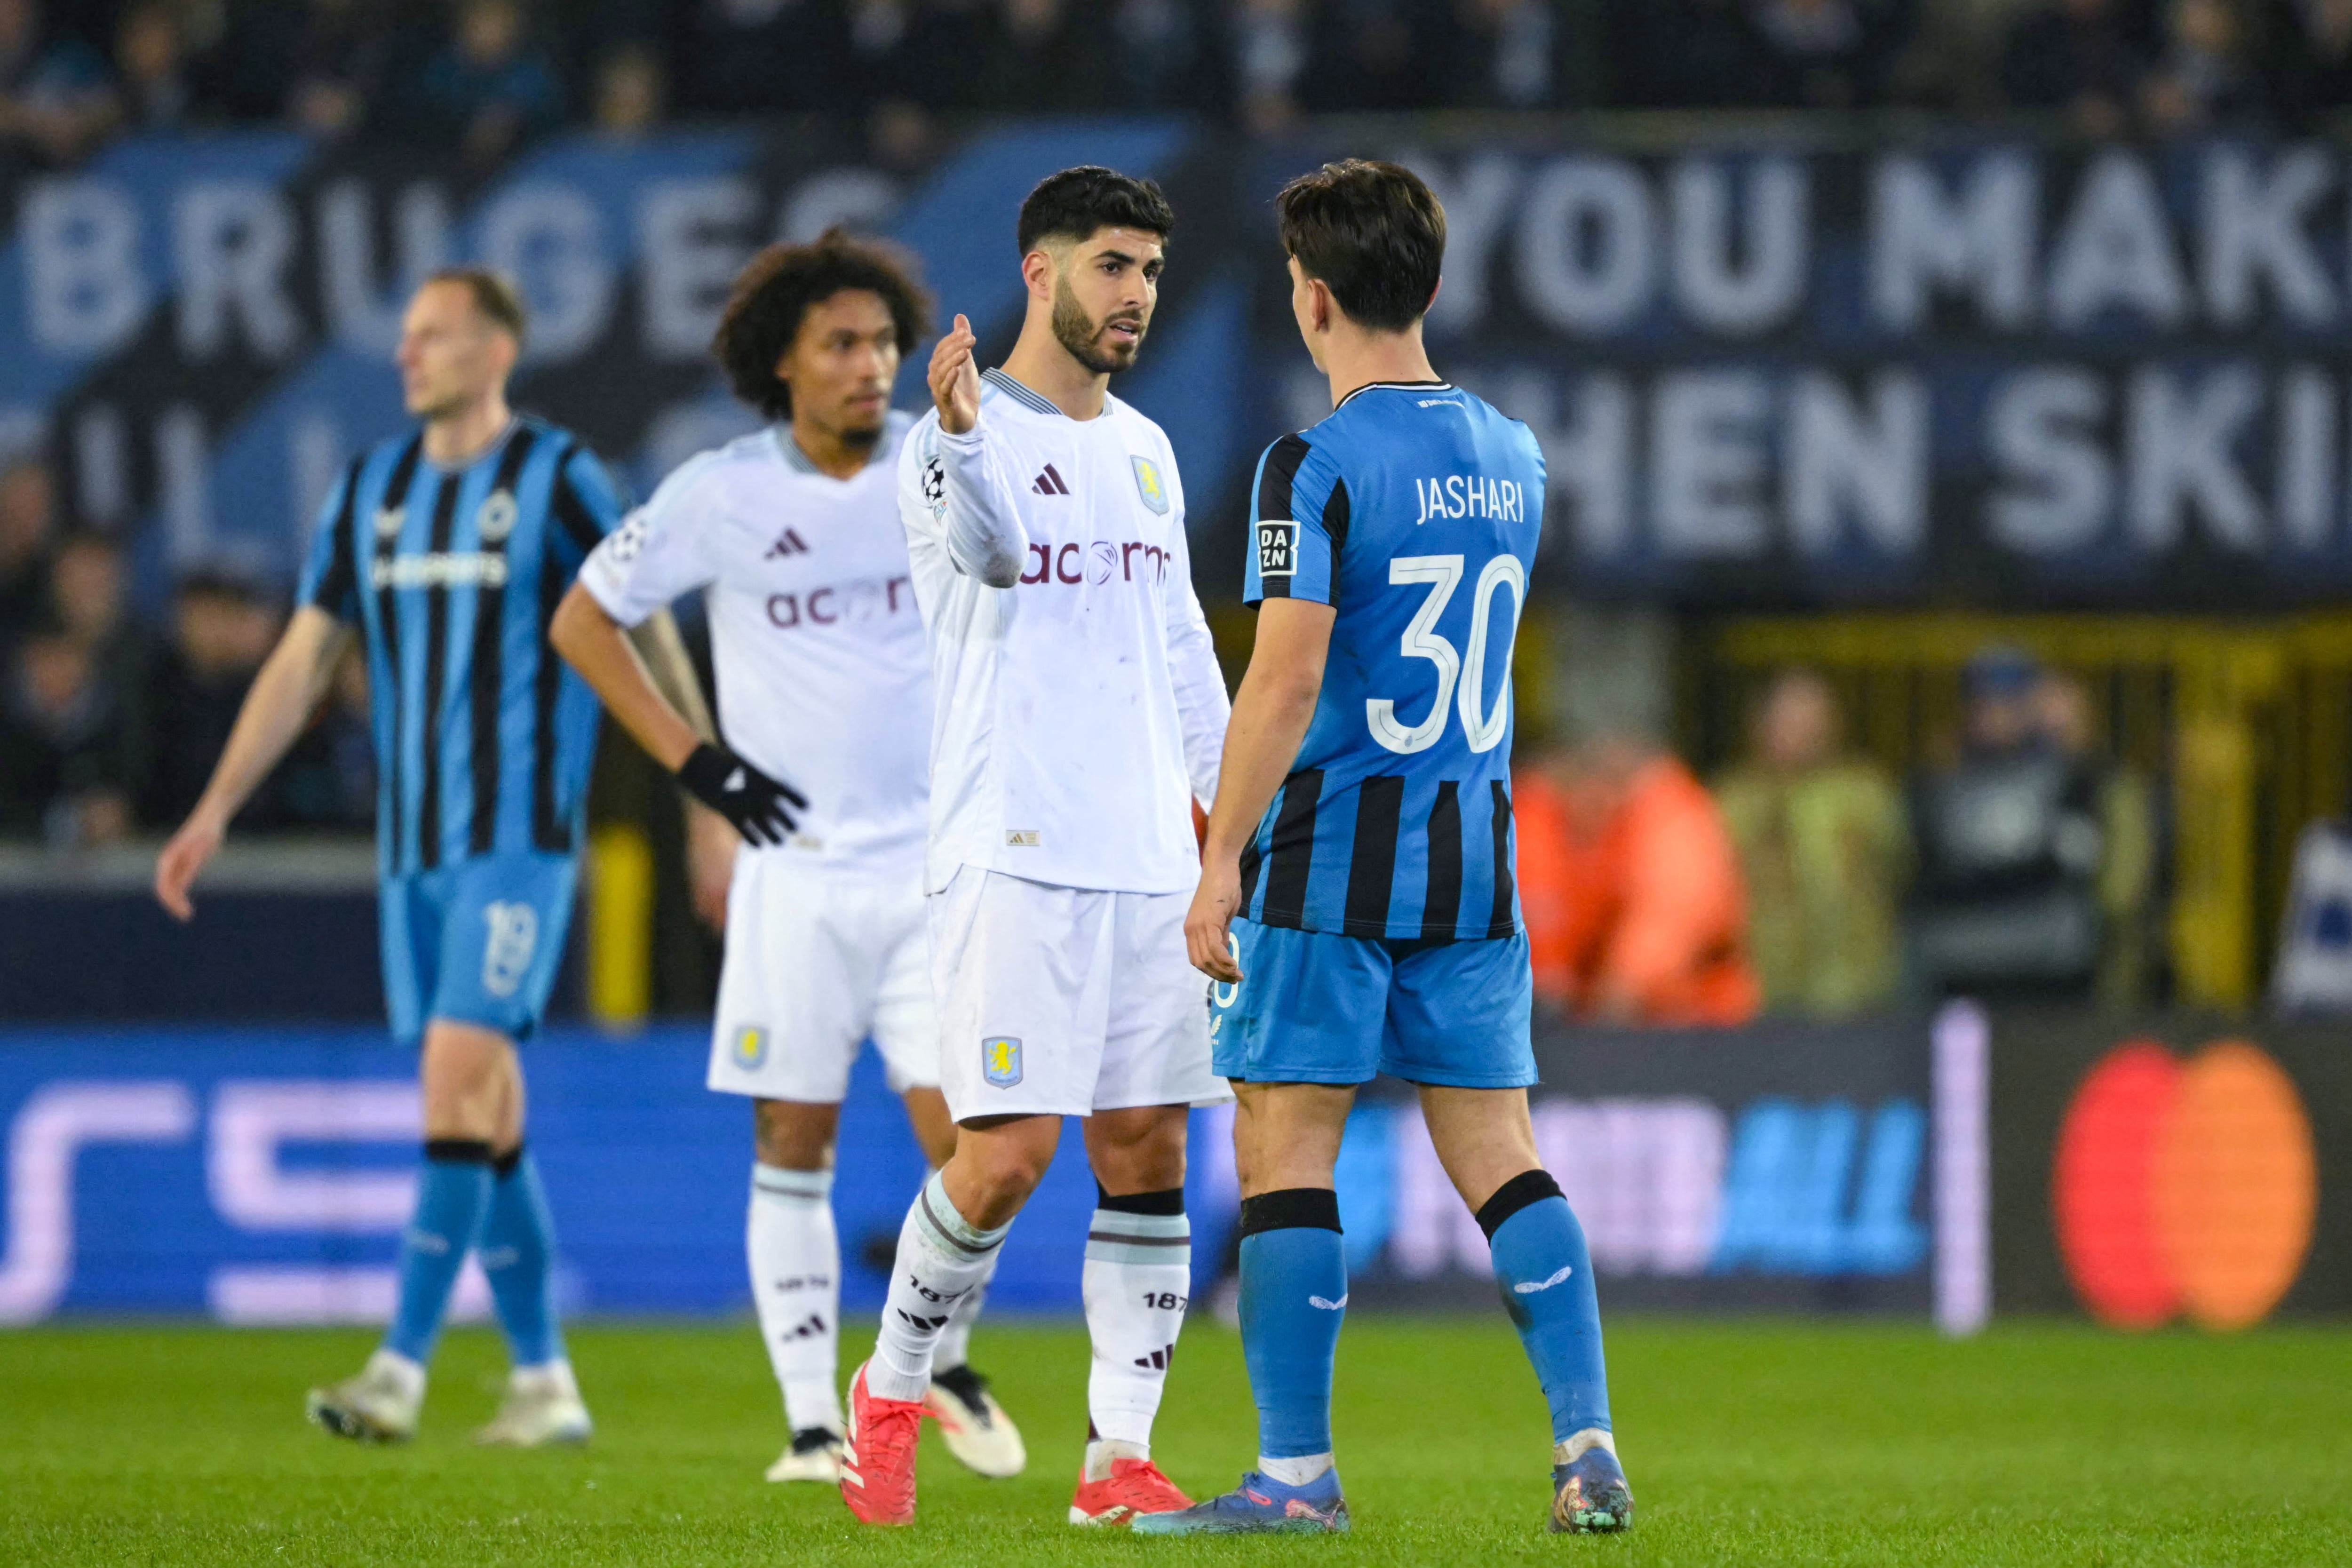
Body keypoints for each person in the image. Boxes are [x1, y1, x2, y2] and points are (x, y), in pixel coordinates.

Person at [1155, 159, 1630, 1538]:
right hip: (1474, 847)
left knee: (1286, 1136)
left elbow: (1286, 681)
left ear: (1310, 301)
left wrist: (1218, 856)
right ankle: (1584, 1441)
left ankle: (1295, 1476)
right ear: (1426, 287)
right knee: (1496, 1145)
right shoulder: (1513, 455)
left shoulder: (1309, 463)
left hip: (1331, 849)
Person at [152, 269, 659, 1449]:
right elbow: (297, 660)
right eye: (406, 338)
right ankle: (545, 1381)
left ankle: (400, 1367)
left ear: (495, 351)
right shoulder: (370, 492)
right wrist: (216, 805)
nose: (406, 355)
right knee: (485, 1115)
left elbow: (641, 623)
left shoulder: (559, 477)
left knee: (451, 1080)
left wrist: (699, 785)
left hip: (519, 845)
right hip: (412, 852)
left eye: (430, 336)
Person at [549, 231, 1025, 1487]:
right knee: (792, 1139)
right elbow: (585, 618)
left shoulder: (938, 464)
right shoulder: (722, 493)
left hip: (937, 870)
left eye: (881, 341)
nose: (874, 365)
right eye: (843, 345)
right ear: (783, 364)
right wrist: (694, 766)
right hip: (796, 873)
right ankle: (815, 1422)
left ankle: (928, 1361)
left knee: (977, 1148)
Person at [841, 166, 1232, 1529]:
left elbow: (1182, 649)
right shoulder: (946, 438)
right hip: (1012, 847)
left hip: (1149, 859)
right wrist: (958, 435)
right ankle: (889, 1391)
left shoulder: (1148, 447)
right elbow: (999, 559)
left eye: (1150, 274)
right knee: (1004, 1156)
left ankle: (1116, 1455)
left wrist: (1231, 827)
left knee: (1147, 1148)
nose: (1135, 296)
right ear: (1040, 271)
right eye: (1113, 266)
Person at [1513, 723, 1761, 1027]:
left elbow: (1660, 938)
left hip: (1696, 1032)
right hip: (1583, 1029)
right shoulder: (1538, 812)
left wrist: (1600, 1014)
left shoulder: (1673, 817)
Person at [1714, 668, 1911, 1018]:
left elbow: (1900, 869)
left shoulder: (1865, 793)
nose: (1803, 732)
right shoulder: (1734, 800)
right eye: (1790, 720)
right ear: (1762, 725)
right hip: (1760, 992)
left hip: (1858, 989)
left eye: (1814, 720)